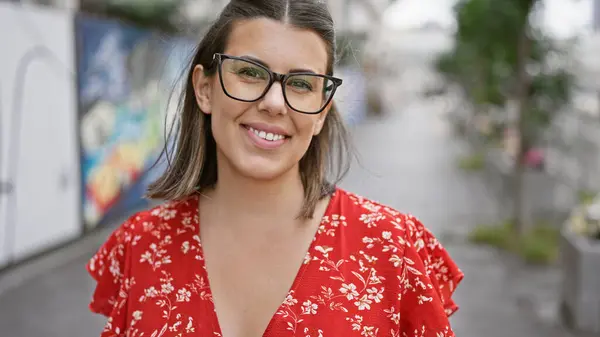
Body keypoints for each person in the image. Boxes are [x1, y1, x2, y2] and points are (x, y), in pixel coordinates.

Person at [86, 0, 464, 336]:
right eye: (249, 73)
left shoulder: (394, 249)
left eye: (301, 84)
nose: (274, 103)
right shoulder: (141, 246)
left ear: (321, 112)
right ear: (204, 89)